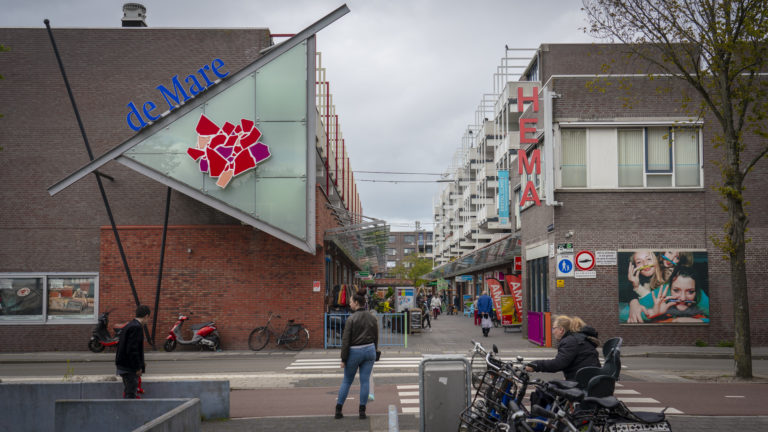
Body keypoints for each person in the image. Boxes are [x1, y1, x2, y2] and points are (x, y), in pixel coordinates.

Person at [335, 287, 379, 420]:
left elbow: (346, 340)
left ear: (356, 303)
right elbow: (376, 336)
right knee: (365, 381)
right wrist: (375, 351)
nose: (349, 304)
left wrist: (343, 358)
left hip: (354, 351)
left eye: (351, 302)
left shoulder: (351, 319)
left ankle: (338, 410)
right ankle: (362, 411)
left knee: (347, 380)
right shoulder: (372, 317)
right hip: (370, 350)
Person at [525, 315, 600, 380]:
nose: (552, 332)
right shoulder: (577, 338)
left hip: (583, 382)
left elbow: (558, 364)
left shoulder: (570, 341)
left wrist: (535, 365)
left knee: (547, 390)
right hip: (589, 379)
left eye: (554, 328)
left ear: (561, 330)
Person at [644, 265, 709, 323]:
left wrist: (701, 321)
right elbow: (635, 313)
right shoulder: (662, 292)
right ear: (670, 287)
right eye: (676, 290)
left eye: (690, 292)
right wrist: (653, 312)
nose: (683, 298)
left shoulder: (699, 296)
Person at [115, 304, 150, 399]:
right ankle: (128, 413)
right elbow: (132, 350)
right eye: (148, 319)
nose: (147, 322)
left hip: (123, 366)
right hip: (129, 368)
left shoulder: (130, 325)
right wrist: (138, 367)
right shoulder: (136, 327)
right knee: (130, 395)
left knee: (128, 391)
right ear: (146, 316)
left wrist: (142, 363)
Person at [622, 250, 665, 323]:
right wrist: (633, 302)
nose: (645, 264)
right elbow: (629, 288)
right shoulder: (639, 280)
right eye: (639, 262)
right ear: (635, 267)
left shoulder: (666, 275)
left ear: (656, 259)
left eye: (648, 259)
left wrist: (637, 289)